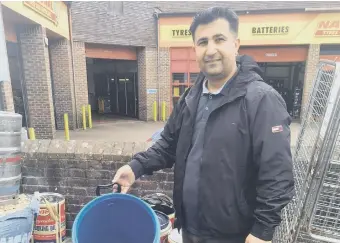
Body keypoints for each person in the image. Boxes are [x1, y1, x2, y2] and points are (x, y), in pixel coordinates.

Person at [112, 6, 295, 243]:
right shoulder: (191, 97)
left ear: (236, 44)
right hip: (190, 228)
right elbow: (168, 143)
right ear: (195, 49)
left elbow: (277, 174)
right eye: (203, 42)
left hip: (236, 236)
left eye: (219, 39)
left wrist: (262, 231)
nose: (211, 50)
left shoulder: (262, 100)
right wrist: (135, 168)